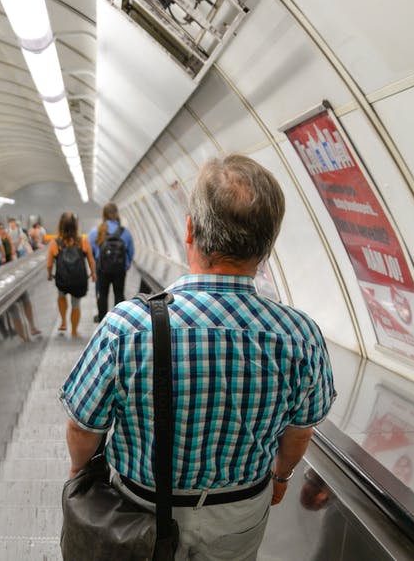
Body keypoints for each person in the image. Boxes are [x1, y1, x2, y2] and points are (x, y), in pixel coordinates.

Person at [60, 155, 336, 561]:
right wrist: (281, 476)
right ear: (268, 245)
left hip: (137, 512)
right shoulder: (300, 336)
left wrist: (79, 472)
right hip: (238, 512)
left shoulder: (127, 325)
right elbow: (299, 431)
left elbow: (83, 426)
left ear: (189, 229)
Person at [46, 212, 95, 337]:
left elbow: (49, 264)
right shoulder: (83, 241)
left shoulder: (55, 243)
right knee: (76, 304)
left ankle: (63, 321)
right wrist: (93, 273)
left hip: (62, 279)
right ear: (76, 225)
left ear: (60, 225)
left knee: (61, 296)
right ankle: (74, 331)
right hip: (78, 279)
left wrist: (49, 274)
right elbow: (91, 260)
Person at [88, 202, 135, 323]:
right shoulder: (125, 232)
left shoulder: (96, 232)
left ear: (103, 215)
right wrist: (126, 264)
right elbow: (131, 251)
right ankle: (118, 321)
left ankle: (102, 320)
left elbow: (90, 251)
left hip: (102, 269)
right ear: (116, 214)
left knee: (102, 295)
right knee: (119, 294)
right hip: (120, 269)